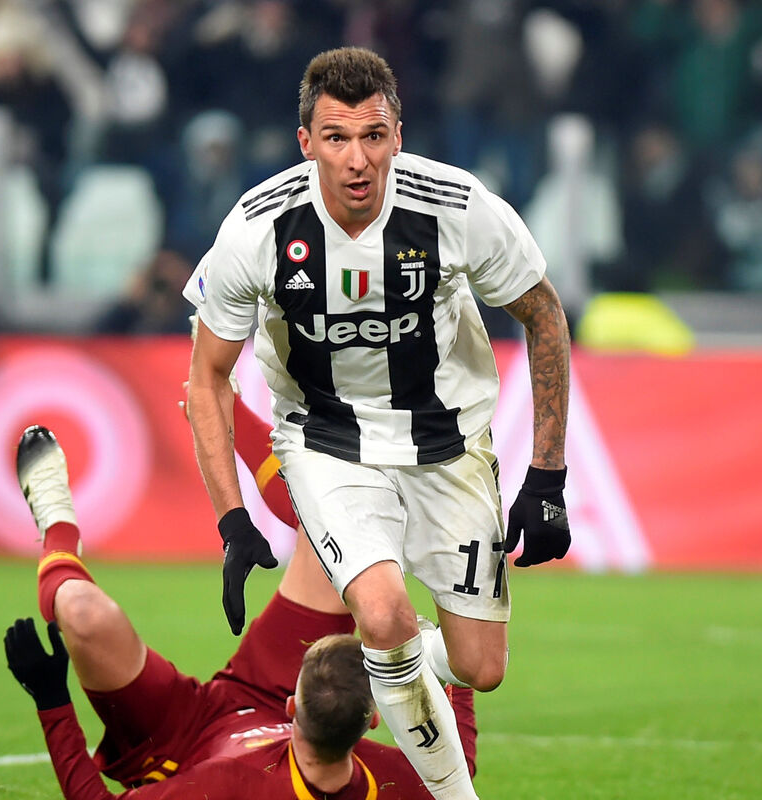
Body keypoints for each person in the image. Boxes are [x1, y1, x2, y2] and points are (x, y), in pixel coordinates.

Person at [183, 47, 572, 800]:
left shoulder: (456, 206)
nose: (357, 160)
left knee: (480, 668)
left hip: (446, 446)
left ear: (399, 135)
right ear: (306, 143)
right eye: (336, 137)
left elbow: (545, 316)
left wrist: (547, 475)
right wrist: (232, 518)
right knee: (385, 613)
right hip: (326, 443)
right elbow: (206, 377)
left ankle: (356, 665)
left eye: (373, 136)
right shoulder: (259, 228)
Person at [6, 424, 476, 799]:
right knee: (340, 530)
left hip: (174, 740)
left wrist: (52, 701)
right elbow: (458, 763)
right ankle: (226, 406)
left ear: (293, 706)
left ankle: (56, 522)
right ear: (375, 720)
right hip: (266, 690)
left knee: (82, 612)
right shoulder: (412, 780)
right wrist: (446, 651)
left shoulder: (229, 787)